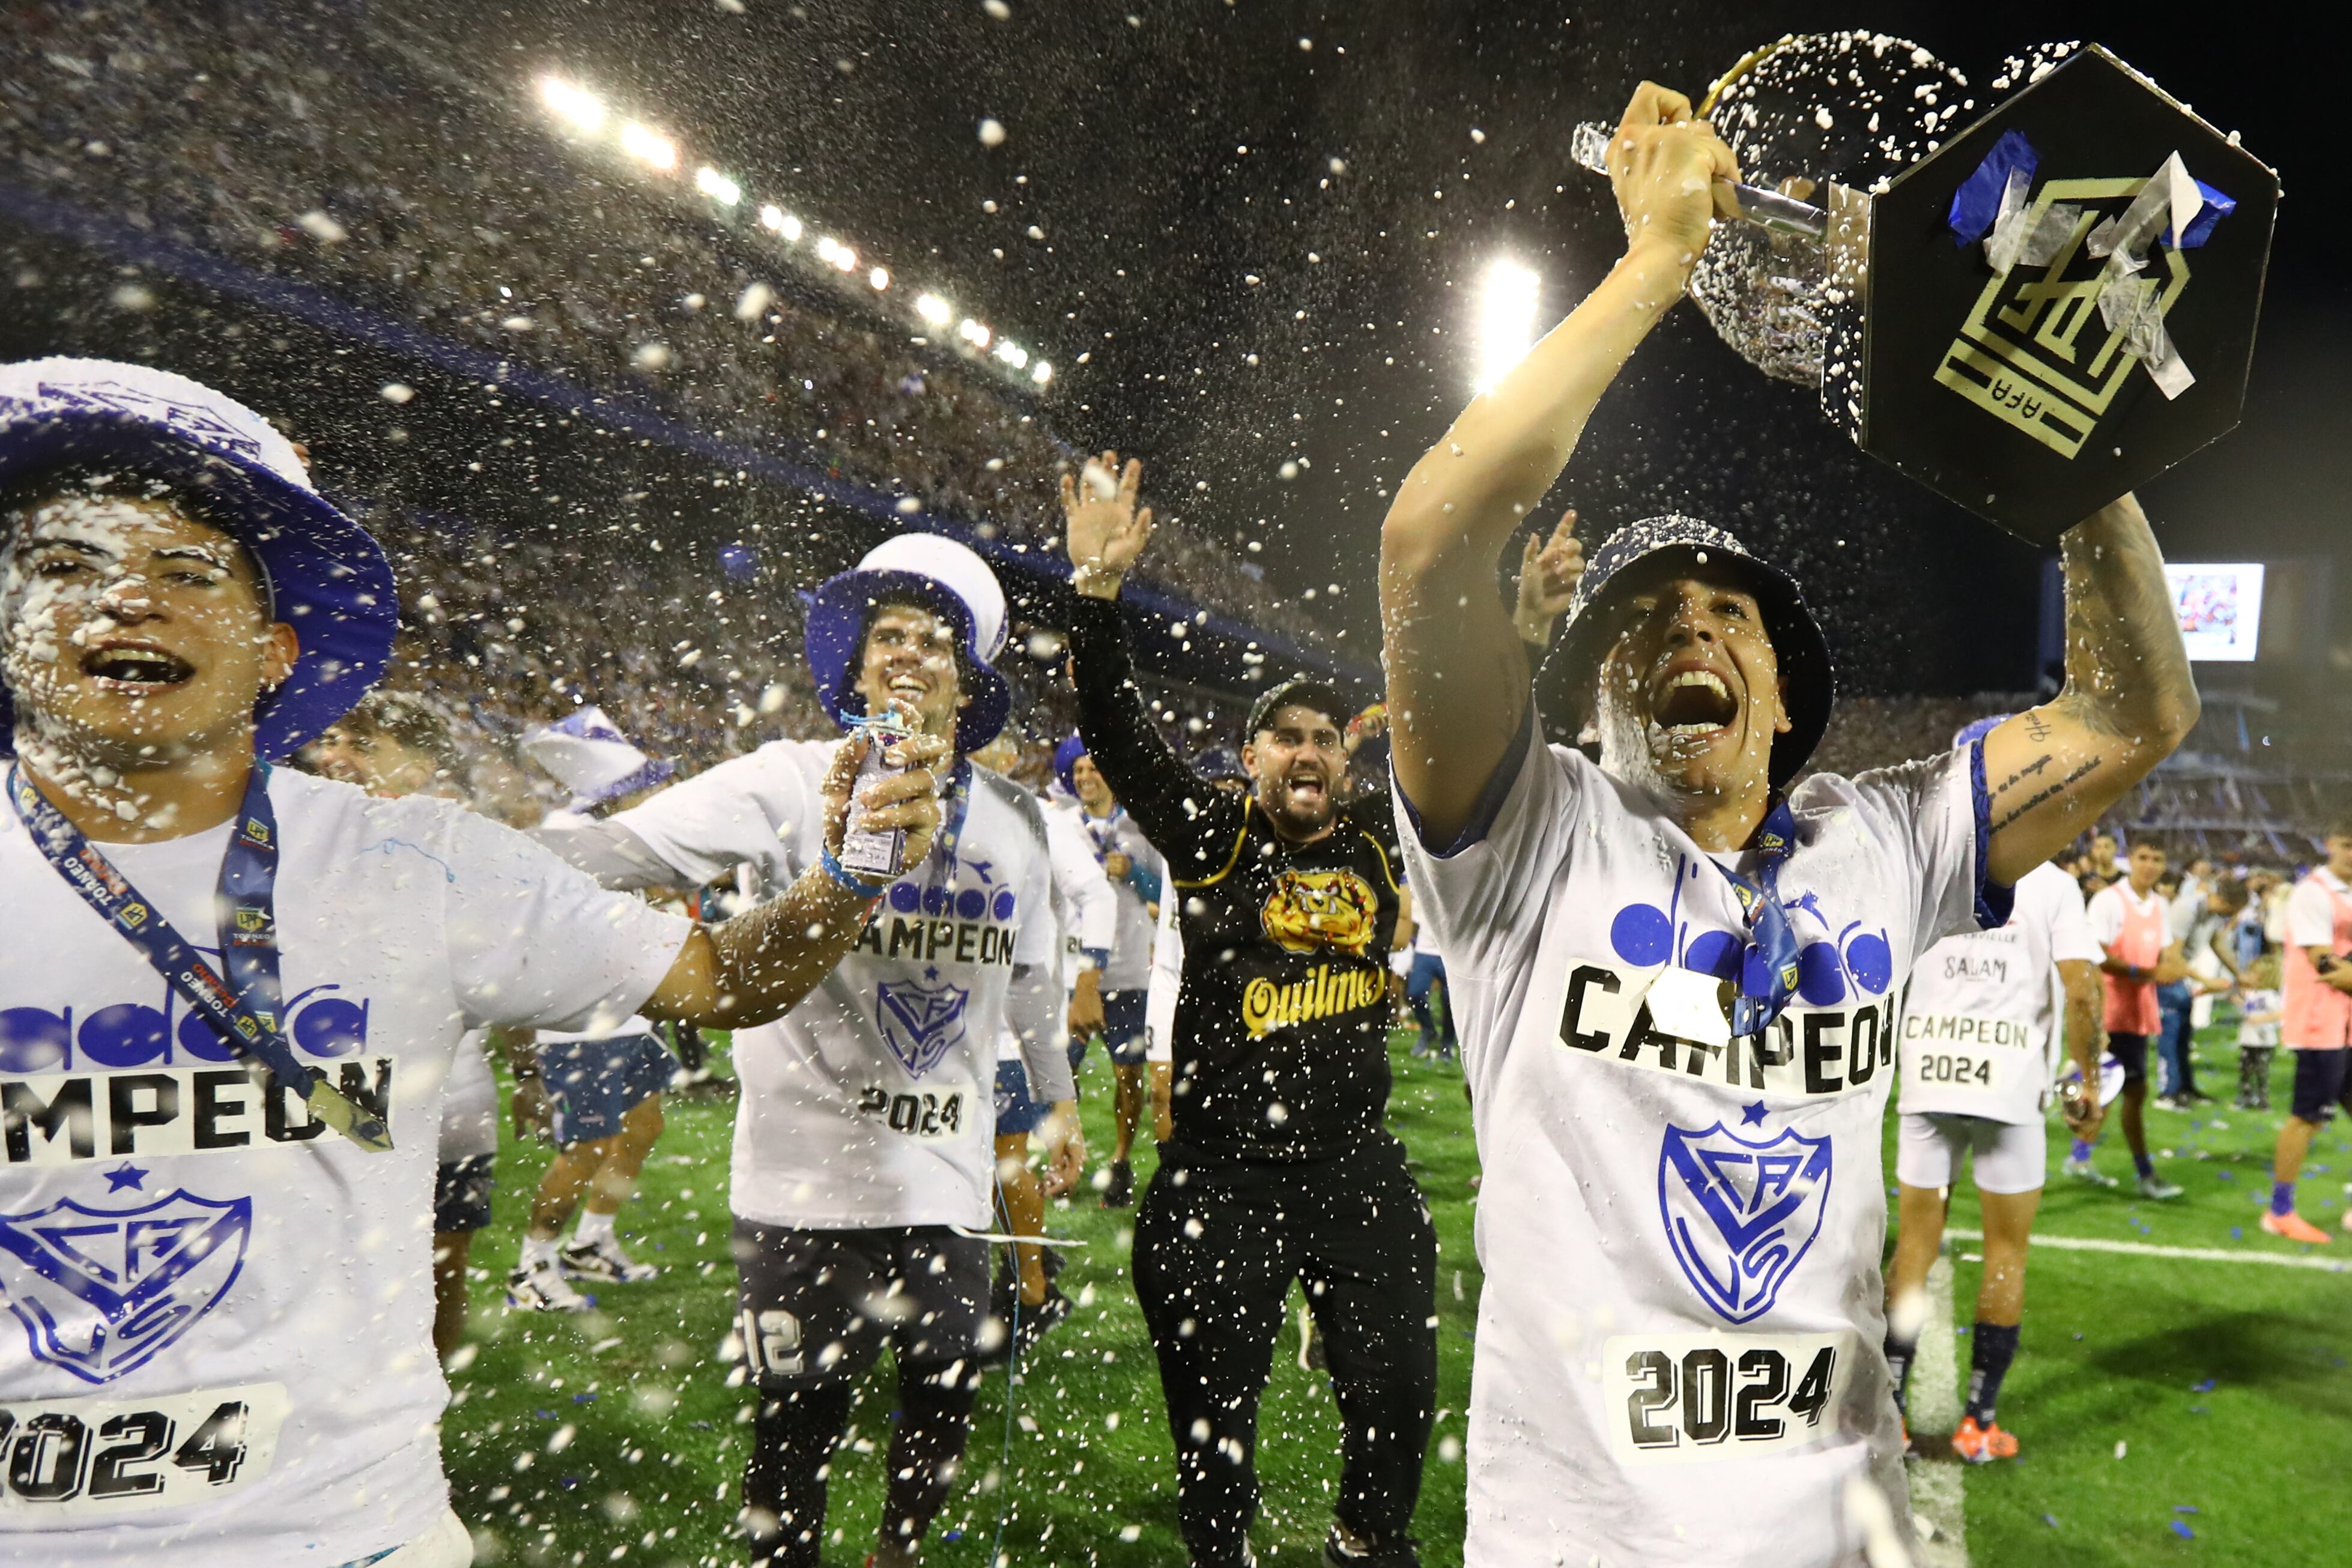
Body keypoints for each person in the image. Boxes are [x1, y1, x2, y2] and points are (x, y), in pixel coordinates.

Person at [1374, 83, 2198, 1567]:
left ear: (1780, 680)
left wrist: (2057, 429)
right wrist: (1652, 268)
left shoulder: (1877, 838)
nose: (1689, 624)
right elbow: (1432, 541)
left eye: (1727, 610)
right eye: (1644, 618)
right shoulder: (1520, 841)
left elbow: (2133, 713)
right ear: (1589, 691)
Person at [0, 358, 940, 1568]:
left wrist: (847, 878)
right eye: (68, 567)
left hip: (352, 1538)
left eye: (186, 573)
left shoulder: (418, 863)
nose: (128, 602)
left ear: (275, 647)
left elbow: (723, 981)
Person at [537, 532, 1082, 1568]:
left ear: (969, 685)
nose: (909, 654)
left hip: (950, 1181)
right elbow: (609, 855)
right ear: (854, 665)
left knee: (938, 1424)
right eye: (888, 635)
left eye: (936, 640)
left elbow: (1035, 980)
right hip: (800, 1189)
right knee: (792, 1443)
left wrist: (1056, 1100)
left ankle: (898, 1557)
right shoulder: (786, 778)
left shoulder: (1018, 817)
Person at [1063, 454, 1433, 1568]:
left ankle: (1365, 1542)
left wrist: (1508, 629)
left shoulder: (1377, 841)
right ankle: (1217, 1553)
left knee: (1400, 1391)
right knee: (1211, 1416)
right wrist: (1094, 595)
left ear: (1343, 761)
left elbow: (1468, 757)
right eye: (1285, 736)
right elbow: (1120, 736)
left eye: (1324, 735)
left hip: (1351, 1165)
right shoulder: (1214, 832)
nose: (1307, 749)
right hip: (1221, 1171)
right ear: (1250, 759)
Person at [1883, 722, 2106, 1464]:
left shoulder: (1921, 869)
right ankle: (1979, 1418)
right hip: (2008, 1081)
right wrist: (2082, 1079)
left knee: (1914, 1243)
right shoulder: (2052, 883)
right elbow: (2081, 992)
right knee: (2007, 1248)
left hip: (1928, 1072)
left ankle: (1889, 1410)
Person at [300, 691, 499, 1359]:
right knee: (320, 1278)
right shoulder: (275, 846)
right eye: (331, 739)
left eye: (362, 743)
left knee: (440, 1271)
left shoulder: (459, 854)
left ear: (417, 770)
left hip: (445, 1109)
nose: (336, 755)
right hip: (320, 1108)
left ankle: (424, 1431)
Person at [504, 710, 687, 1312]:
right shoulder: (563, 839)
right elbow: (525, 949)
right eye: (638, 781)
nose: (650, 791)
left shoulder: (609, 834)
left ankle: (592, 1242)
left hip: (624, 1017)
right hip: (577, 1027)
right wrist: (525, 1067)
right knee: (584, 1148)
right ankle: (533, 1268)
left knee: (643, 1126)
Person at [970, 729, 1109, 1355]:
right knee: (973, 1164)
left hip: (1010, 1022)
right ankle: (1012, 1275)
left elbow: (1095, 894)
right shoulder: (935, 815)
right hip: (952, 1026)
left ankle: (1030, 1287)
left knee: (1003, 1159)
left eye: (989, 751)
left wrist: (1088, 979)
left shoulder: (1038, 820)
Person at [1054, 733, 1168, 1206]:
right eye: (1078, 770)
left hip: (1127, 975)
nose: (1085, 777)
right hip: (1073, 975)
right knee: (1059, 1074)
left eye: (1093, 768)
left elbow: (1167, 896)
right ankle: (1064, 1159)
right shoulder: (1061, 826)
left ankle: (1120, 1163)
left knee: (1128, 1077)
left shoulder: (1143, 829)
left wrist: (1136, 875)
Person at [2076, 838, 2188, 1196]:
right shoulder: (2110, 900)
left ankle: (2081, 1156)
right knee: (2128, 1090)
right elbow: (2096, 953)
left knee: (2112, 1090)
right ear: (2131, 860)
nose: (2150, 865)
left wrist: (2175, 967)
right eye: (2143, 857)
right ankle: (2144, 1175)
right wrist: (2146, 972)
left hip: (2138, 1012)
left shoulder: (2159, 904)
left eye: (2157, 857)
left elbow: (2168, 950)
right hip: (2110, 1010)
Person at [2261, 822, 2352, 1243]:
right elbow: (2325, 965)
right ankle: (2280, 1210)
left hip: (2346, 1021)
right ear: (2330, 842)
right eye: (2348, 844)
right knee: (2308, 1116)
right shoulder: (2313, 892)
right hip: (2319, 1021)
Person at [2156, 874, 2249, 1109]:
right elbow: (2171, 955)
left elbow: (2217, 944)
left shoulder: (2214, 914)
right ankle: (2168, 1093)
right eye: (2233, 909)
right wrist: (2207, 980)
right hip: (2165, 975)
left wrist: (2239, 974)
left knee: (2184, 1035)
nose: (2233, 915)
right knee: (2171, 1034)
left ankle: (2185, 1087)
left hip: (2182, 976)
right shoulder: (2186, 909)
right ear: (2222, 899)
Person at [2235, 951, 2283, 1112]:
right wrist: (2241, 1003)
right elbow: (2249, 1011)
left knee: (2261, 1073)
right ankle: (2246, 1098)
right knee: (2245, 1071)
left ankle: (2263, 1101)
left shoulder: (2270, 996)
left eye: (2252, 974)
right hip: (2248, 1039)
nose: (2249, 976)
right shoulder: (2252, 995)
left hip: (2264, 1041)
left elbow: (2281, 1013)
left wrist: (2262, 1020)